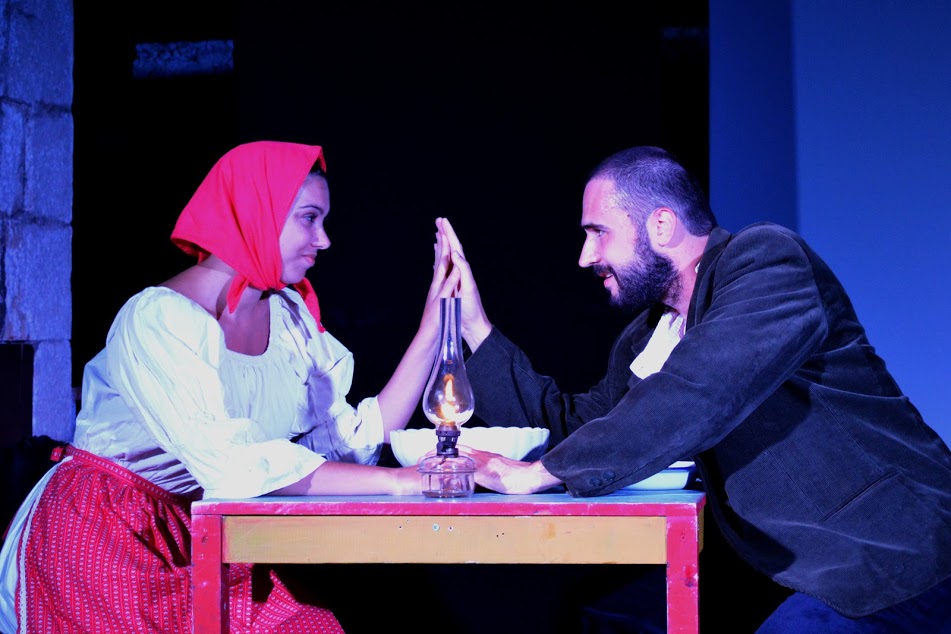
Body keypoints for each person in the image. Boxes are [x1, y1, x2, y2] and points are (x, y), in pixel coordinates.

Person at [435, 145, 951, 632]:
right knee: (603, 616)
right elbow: (574, 429)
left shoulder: (767, 261)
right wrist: (476, 328)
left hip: (888, 553)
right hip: (778, 565)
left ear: (660, 225)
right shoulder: (647, 336)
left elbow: (700, 389)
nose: (585, 256)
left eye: (598, 232)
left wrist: (536, 475)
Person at [0, 140, 460, 633]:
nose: (323, 240)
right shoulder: (158, 319)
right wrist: (399, 481)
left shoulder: (288, 319)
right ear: (256, 213)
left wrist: (434, 328)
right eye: (309, 218)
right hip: (105, 531)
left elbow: (345, 444)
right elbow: (233, 462)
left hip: (197, 524)